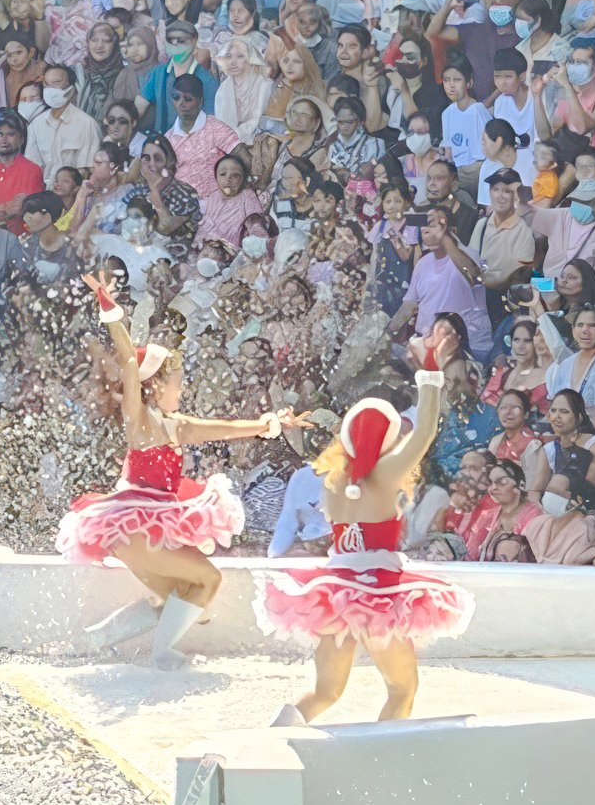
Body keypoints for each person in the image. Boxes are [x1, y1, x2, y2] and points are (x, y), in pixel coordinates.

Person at [59, 273, 293, 668]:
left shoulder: (176, 425)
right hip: (136, 523)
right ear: (157, 386)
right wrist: (110, 309)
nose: (182, 390)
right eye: (178, 382)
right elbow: (129, 364)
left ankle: (95, 640)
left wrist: (269, 424)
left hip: (141, 527)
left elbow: (226, 428)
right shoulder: (142, 422)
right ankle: (163, 654)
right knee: (208, 581)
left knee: (176, 597)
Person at [257, 322, 474, 724]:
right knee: (403, 688)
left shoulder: (335, 482)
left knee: (325, 692)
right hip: (378, 595)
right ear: (386, 438)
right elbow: (425, 429)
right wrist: (429, 372)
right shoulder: (385, 476)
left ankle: (271, 739)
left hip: (334, 593)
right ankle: (384, 759)